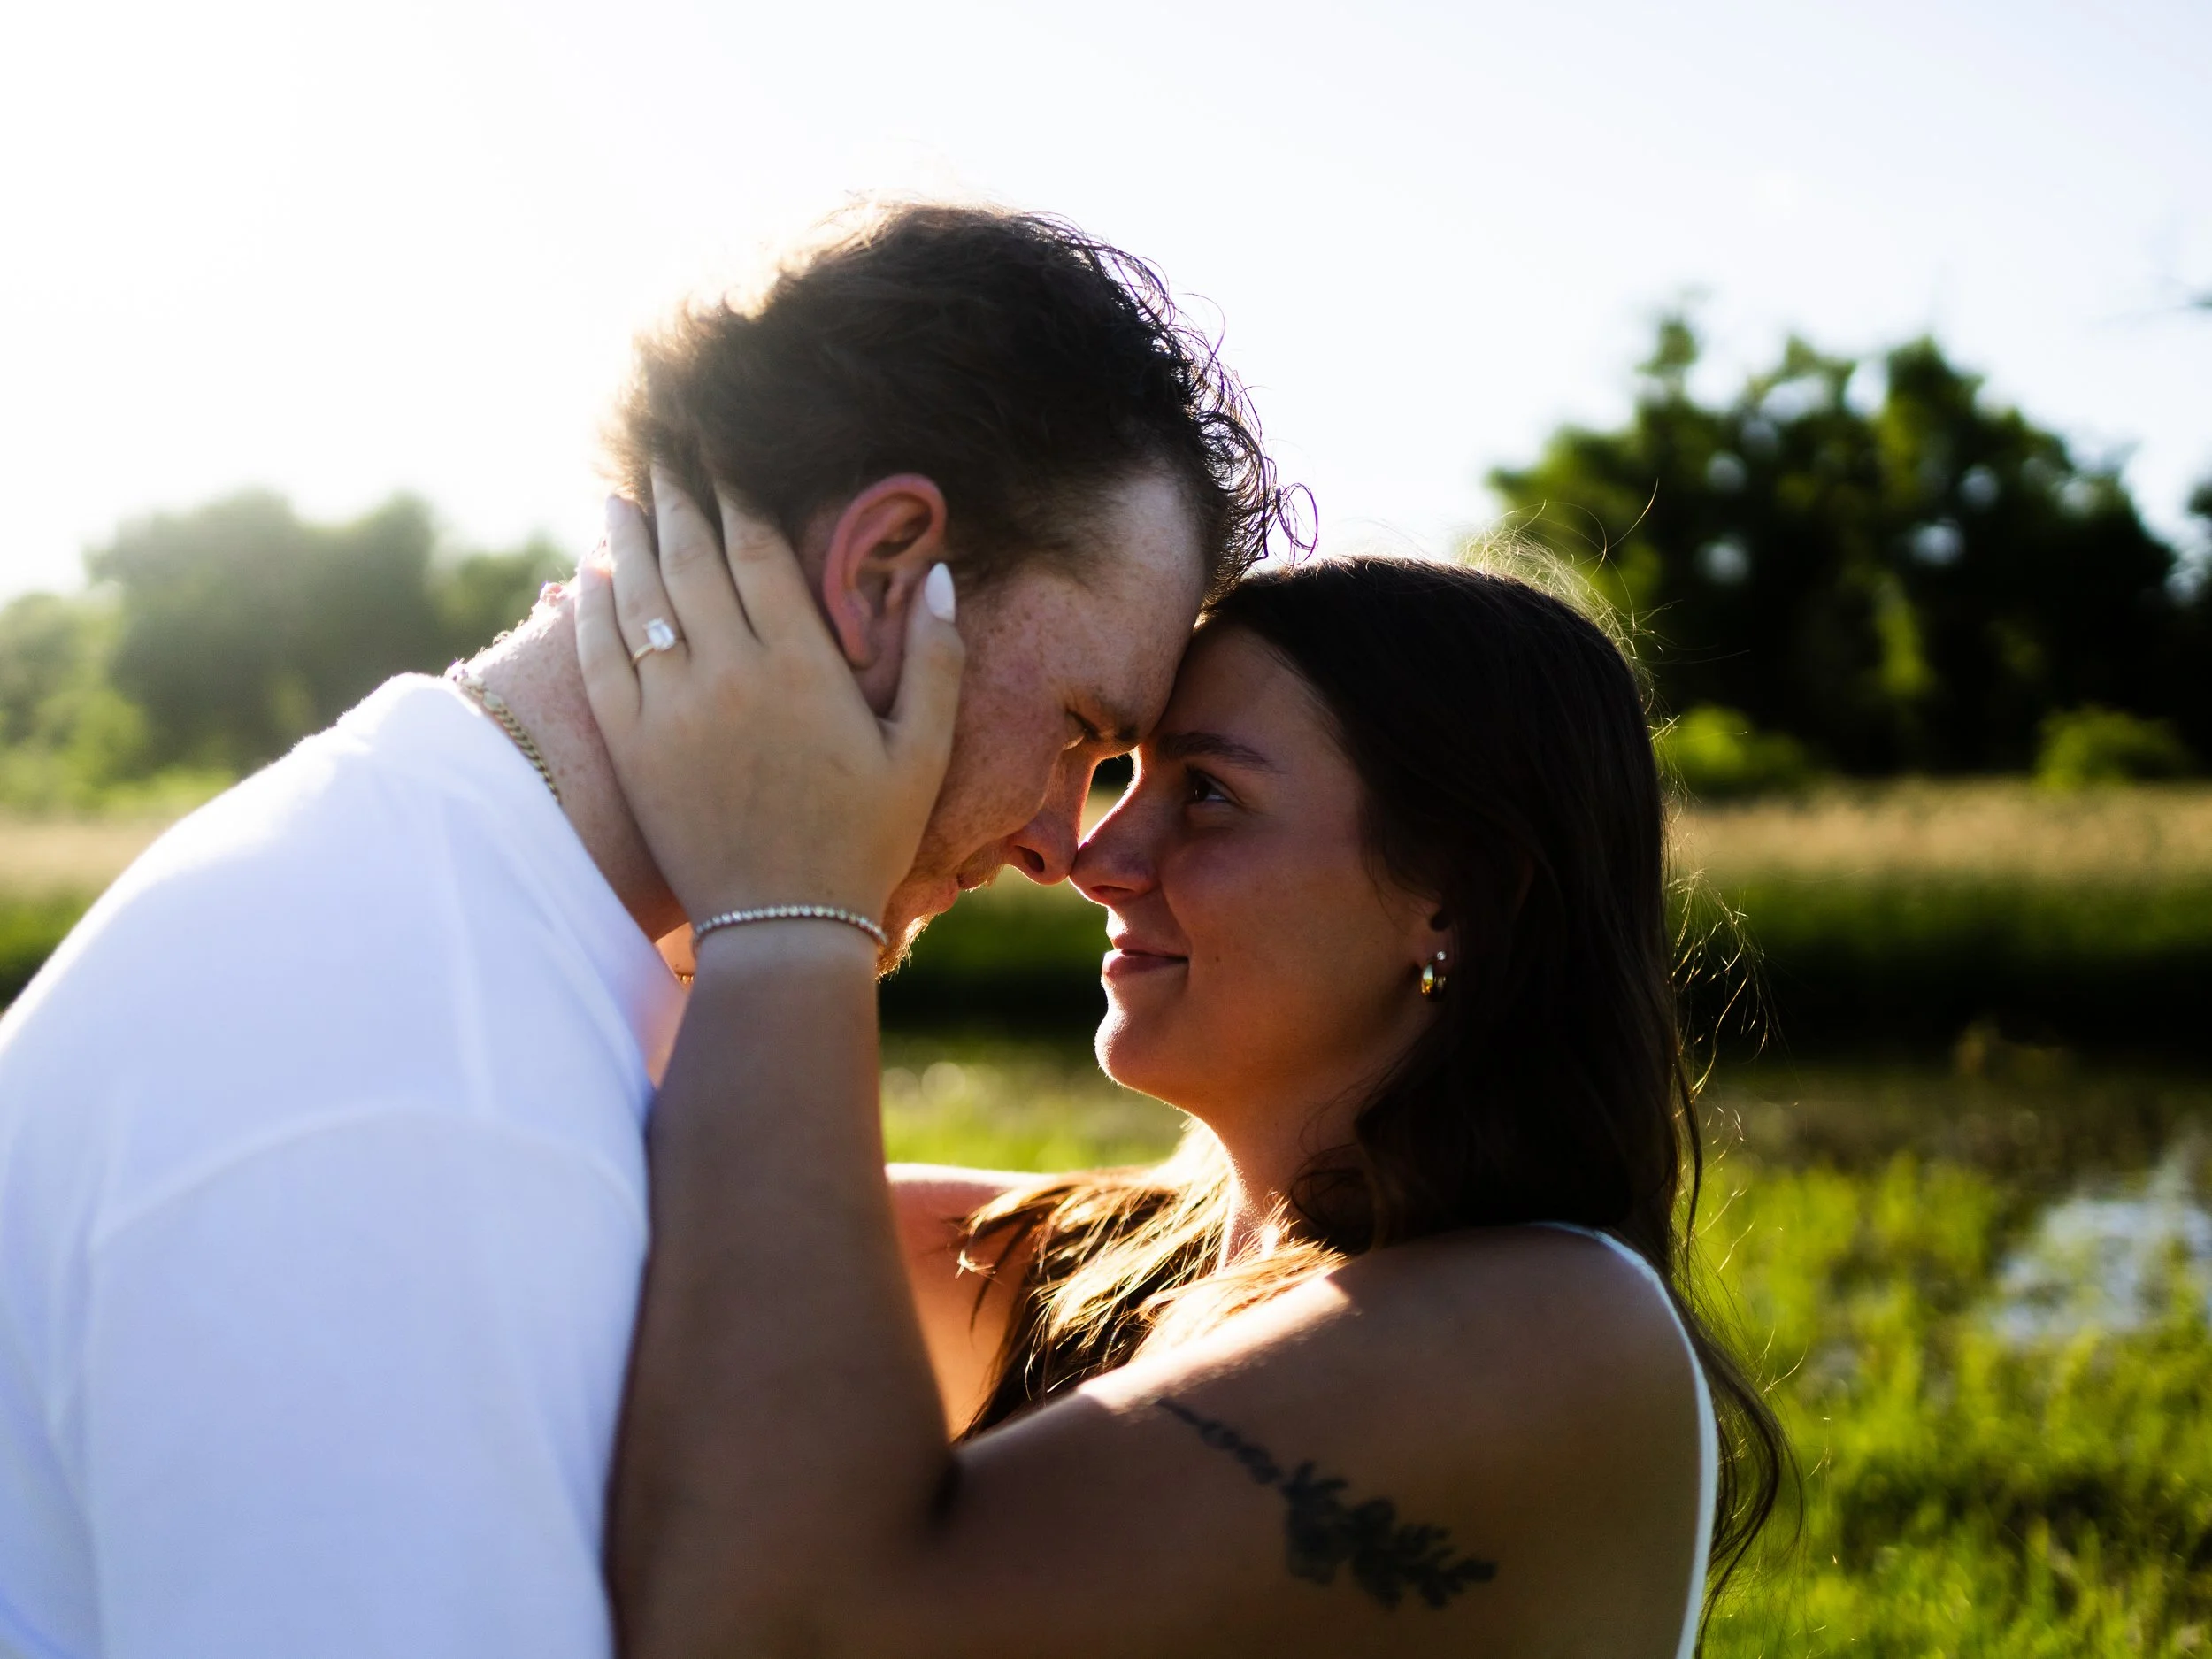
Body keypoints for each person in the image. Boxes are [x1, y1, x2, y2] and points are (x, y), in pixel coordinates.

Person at [0, 205, 1293, 1658]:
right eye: (1078, 731)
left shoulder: (489, 924)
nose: (1069, 840)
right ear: (883, 574)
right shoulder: (409, 1054)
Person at [587, 495, 1790, 1658]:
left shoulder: (1558, 1329)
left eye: (1208, 794)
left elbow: (793, 1625)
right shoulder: (1112, 1259)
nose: (1098, 854)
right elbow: (657, 1236)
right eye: (1126, 774)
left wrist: (793, 904)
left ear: (1458, 898)